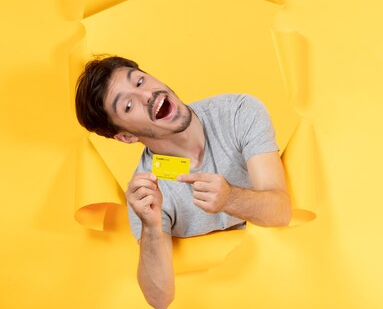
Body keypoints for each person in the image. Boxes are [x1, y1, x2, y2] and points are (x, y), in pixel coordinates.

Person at [74, 56, 291, 309]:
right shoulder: (146, 193)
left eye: (140, 81)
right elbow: (159, 298)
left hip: (281, 283)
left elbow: (281, 212)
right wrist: (152, 227)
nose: (147, 95)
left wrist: (229, 198)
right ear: (126, 136)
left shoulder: (238, 113)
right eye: (129, 105)